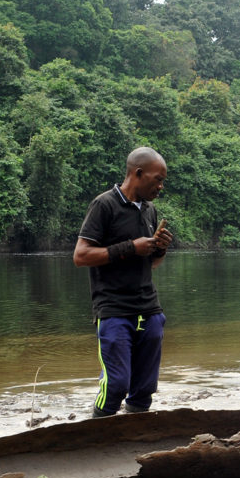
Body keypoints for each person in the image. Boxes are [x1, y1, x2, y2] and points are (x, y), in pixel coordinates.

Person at [73, 147, 175, 417]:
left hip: (149, 308)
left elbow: (150, 262)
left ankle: (132, 438)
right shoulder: (104, 205)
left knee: (145, 387)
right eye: (157, 179)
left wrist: (159, 249)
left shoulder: (150, 210)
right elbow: (81, 256)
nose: (161, 186)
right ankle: (98, 432)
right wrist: (131, 247)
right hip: (114, 308)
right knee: (116, 385)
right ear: (138, 174)